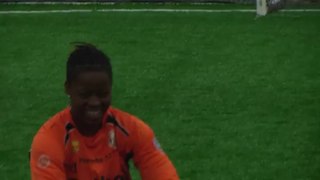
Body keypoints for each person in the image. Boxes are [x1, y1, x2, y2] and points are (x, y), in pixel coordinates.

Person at [29, 43, 179, 180]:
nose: (95, 103)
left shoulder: (132, 130)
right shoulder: (49, 140)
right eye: (85, 94)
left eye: (103, 94)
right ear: (68, 88)